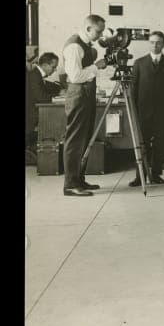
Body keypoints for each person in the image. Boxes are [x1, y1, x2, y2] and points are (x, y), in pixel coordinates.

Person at [62, 15, 109, 197]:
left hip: (86, 95)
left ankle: (79, 180)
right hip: (79, 95)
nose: (100, 35)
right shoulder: (74, 45)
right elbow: (75, 77)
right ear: (88, 28)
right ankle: (70, 185)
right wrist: (97, 67)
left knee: (85, 138)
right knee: (75, 140)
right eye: (98, 31)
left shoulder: (86, 44)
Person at [128, 31, 164, 187]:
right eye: (152, 42)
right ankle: (140, 176)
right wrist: (135, 110)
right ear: (148, 43)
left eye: (158, 42)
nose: (155, 45)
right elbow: (133, 89)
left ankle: (156, 174)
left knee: (160, 144)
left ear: (163, 44)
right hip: (143, 112)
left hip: (162, 112)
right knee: (141, 143)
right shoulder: (139, 63)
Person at [26, 52, 62, 159]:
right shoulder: (34, 75)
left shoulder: (36, 74)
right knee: (57, 118)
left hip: (32, 112)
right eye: (53, 67)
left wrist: (60, 89)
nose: (55, 70)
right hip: (31, 116)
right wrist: (57, 96)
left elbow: (45, 86)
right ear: (45, 65)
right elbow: (41, 97)